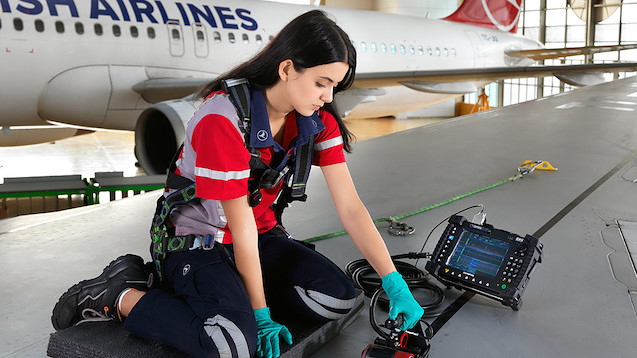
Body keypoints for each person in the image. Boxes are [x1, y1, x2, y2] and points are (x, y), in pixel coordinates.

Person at [51, 10, 423, 358]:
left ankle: (229, 296)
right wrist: (260, 316)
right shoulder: (223, 118)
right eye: (321, 83)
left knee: (337, 299)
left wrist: (395, 284)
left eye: (334, 86)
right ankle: (117, 293)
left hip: (259, 238)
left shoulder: (316, 120)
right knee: (230, 345)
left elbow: (351, 207)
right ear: (288, 69)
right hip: (199, 243)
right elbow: (238, 222)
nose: (328, 97)